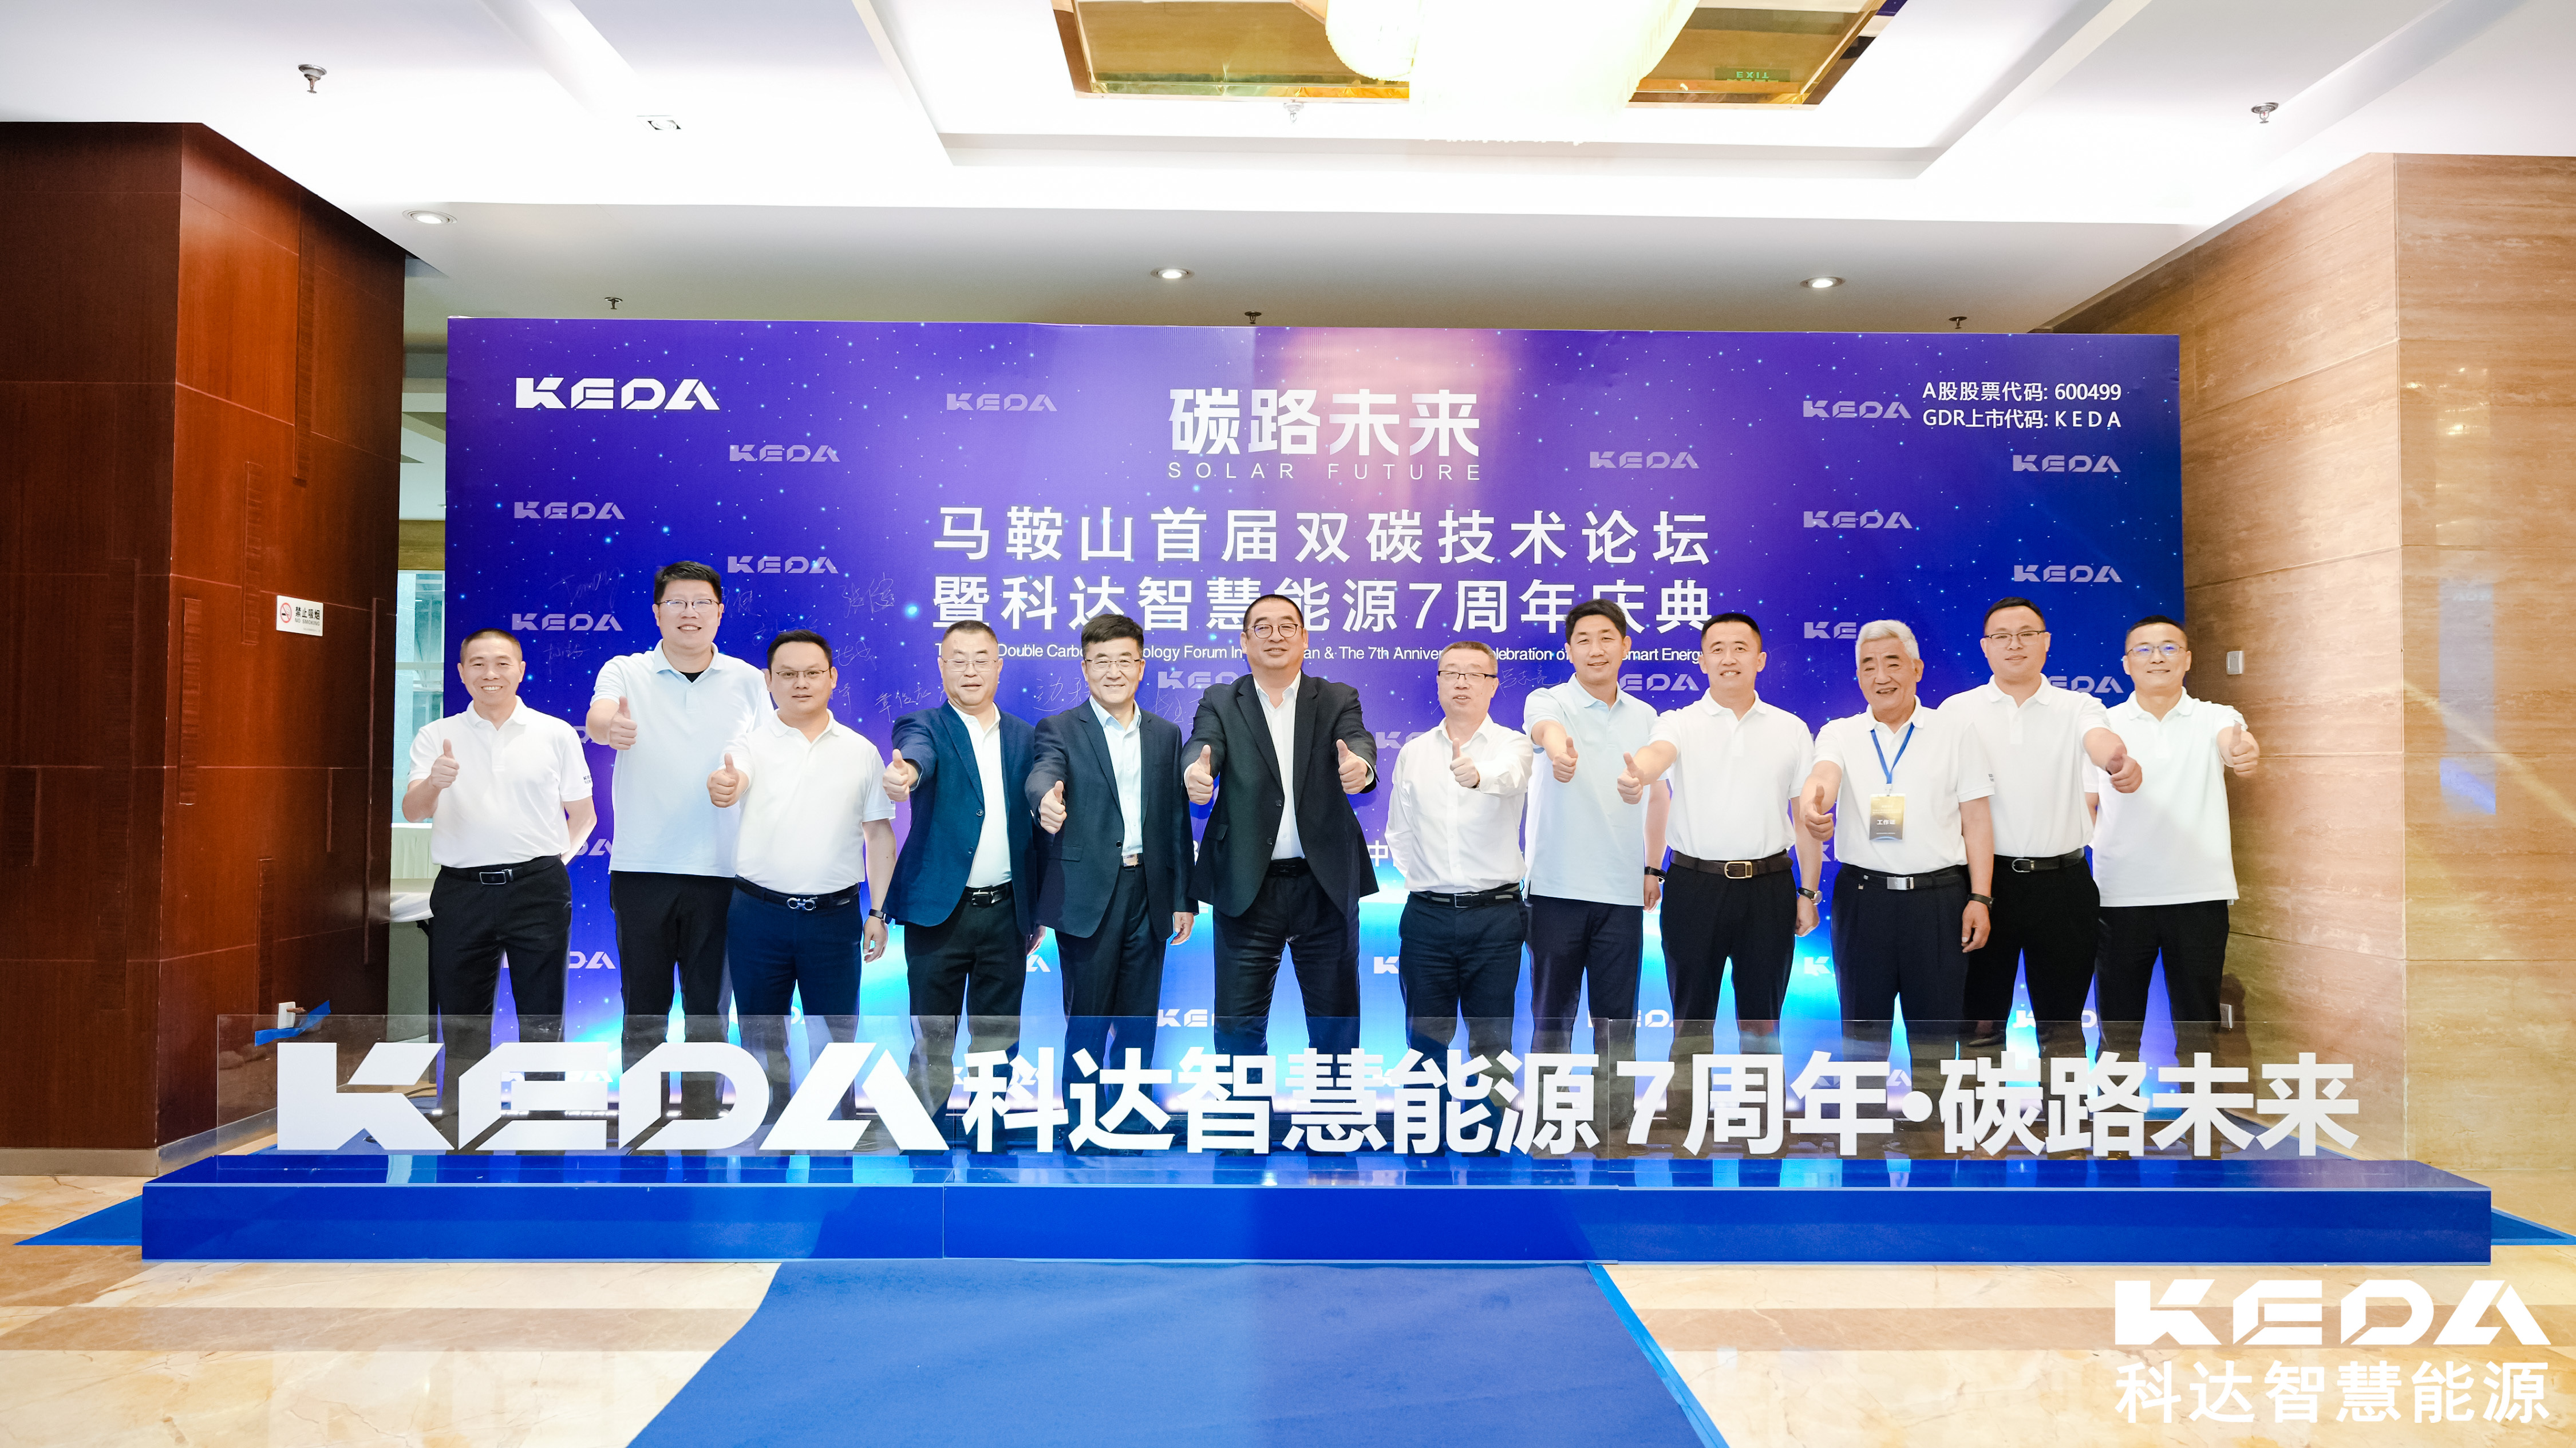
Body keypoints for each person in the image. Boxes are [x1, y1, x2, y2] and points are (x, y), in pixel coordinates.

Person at [586, 561, 769, 1118]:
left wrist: (740, 781)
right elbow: (598, 717)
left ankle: (701, 1120)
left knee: (709, 1011)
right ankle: (642, 1121)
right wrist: (610, 729)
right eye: (677, 602)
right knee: (643, 1007)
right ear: (657, 612)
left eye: (701, 602)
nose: (690, 613)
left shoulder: (748, 680)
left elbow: (768, 755)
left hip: (721, 870)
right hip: (642, 870)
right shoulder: (626, 670)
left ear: (720, 611)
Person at [1798, 620, 1996, 1121]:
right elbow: (1824, 774)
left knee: (1937, 1035)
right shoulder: (1840, 733)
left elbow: (1977, 820)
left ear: (1916, 669)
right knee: (1862, 1033)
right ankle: (1863, 1140)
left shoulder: (1955, 733)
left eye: (1892, 663)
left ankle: (1934, 1142)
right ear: (1859, 677)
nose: (1881, 676)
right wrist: (1816, 801)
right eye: (1868, 666)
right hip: (1865, 900)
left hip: (1939, 900)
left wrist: (1981, 897)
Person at [403, 627, 594, 1121]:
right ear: (462, 672)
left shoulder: (555, 733)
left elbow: (584, 815)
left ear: (521, 670)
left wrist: (549, 865)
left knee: (543, 1015)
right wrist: (435, 782)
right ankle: (465, 1124)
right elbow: (414, 809)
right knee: (462, 1018)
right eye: (479, 664)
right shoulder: (436, 735)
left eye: (502, 663)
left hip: (538, 890)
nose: (491, 674)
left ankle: (545, 1125)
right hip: (461, 891)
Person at [1943, 598, 2141, 1062]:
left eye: (2027, 634)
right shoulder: (1957, 711)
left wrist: (2118, 761)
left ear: (2046, 642)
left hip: (2063, 886)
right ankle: (1979, 1109)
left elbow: (2100, 740)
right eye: (2002, 637)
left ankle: (2064, 1109)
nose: (2015, 645)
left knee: (2062, 1026)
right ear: (1985, 647)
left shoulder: (2078, 706)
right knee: (1979, 1024)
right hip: (1984, 886)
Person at [708, 629, 895, 1118]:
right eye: (787, 674)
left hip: (834, 919)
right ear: (768, 681)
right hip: (757, 916)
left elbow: (879, 835)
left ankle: (834, 1146)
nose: (801, 683)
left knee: (836, 1045)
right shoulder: (748, 745)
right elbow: (734, 777)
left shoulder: (860, 751)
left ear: (832, 677)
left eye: (812, 673)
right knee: (761, 1041)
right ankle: (768, 1140)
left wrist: (878, 912)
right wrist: (727, 785)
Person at [1617, 612, 1818, 1067]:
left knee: (1763, 1023)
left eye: (1740, 648)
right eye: (1718, 649)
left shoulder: (1790, 728)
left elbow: (1804, 817)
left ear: (1760, 660)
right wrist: (1639, 774)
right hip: (1695, 886)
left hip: (1769, 888)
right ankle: (1689, 1112)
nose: (1729, 658)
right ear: (1702, 661)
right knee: (1691, 1021)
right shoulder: (1679, 722)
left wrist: (1808, 892)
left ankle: (1761, 1114)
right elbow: (1657, 755)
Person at [1183, 593, 1378, 1061]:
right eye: (1263, 627)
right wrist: (1195, 771)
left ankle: (1335, 1108)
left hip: (1323, 884)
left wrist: (1361, 768)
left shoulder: (1336, 697)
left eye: (1287, 626)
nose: (1276, 636)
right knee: (1238, 1027)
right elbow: (1202, 745)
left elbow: (1357, 741)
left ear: (1304, 638)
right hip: (1246, 886)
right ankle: (1244, 1107)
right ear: (1244, 641)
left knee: (1336, 1027)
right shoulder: (1220, 700)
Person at [1027, 614, 1196, 1093]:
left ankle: (1131, 1114)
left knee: (1139, 1019)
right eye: (1101, 661)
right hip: (1087, 895)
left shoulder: (1165, 734)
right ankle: (1083, 1119)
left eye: (1125, 660)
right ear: (1085, 668)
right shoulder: (1060, 728)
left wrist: (1183, 897)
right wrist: (1044, 800)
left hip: (1150, 892)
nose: (1114, 672)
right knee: (1088, 1019)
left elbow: (1176, 820)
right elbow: (1044, 772)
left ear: (1141, 667)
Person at [884, 620, 1040, 1129]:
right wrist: (907, 773)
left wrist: (1037, 907)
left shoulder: (1026, 736)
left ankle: (989, 1131)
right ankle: (922, 1133)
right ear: (941, 665)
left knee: (999, 1035)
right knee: (932, 1036)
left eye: (981, 659)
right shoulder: (923, 725)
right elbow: (918, 756)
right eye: (958, 659)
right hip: (939, 912)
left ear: (999, 666)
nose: (970, 670)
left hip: (1007, 911)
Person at [2089, 615, 2261, 1067]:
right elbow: (2085, 803)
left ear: (2187, 660)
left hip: (2199, 895)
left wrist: (2242, 753)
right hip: (2121, 897)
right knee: (2118, 1034)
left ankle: (2201, 1114)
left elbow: (2235, 743)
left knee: (2199, 1031)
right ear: (2126, 663)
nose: (2157, 658)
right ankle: (2115, 1110)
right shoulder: (2103, 726)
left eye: (2169, 648)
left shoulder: (2215, 716)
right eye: (2144, 649)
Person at [1523, 598, 1665, 1137]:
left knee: (1617, 1022)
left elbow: (1659, 797)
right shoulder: (1549, 700)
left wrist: (1653, 868)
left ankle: (1615, 1127)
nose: (1596, 649)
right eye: (1583, 640)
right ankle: (1548, 1125)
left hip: (1622, 893)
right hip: (1555, 889)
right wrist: (1560, 752)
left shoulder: (1647, 717)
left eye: (1607, 638)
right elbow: (1544, 730)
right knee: (1552, 1019)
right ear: (1569, 650)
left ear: (1625, 646)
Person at [1382, 640, 1533, 1117]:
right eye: (1451, 673)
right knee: (1425, 1038)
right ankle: (1426, 1133)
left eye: (1474, 674)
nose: (1462, 682)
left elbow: (1512, 777)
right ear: (1439, 683)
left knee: (1492, 1040)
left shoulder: (1513, 744)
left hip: (1496, 916)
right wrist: (1432, 882)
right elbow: (1400, 832)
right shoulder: (1413, 752)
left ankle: (1490, 1133)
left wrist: (1477, 775)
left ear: (1493, 685)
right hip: (1427, 917)